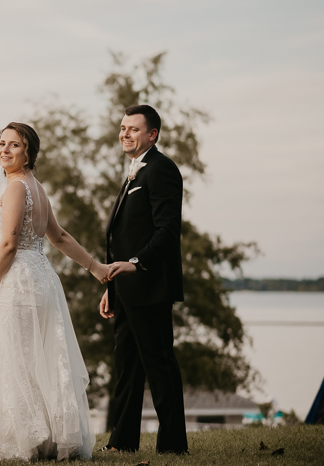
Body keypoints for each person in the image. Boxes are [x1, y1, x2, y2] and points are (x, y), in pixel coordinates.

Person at [0, 122, 107, 461]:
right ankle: (46, 437)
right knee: (36, 359)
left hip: (19, 280)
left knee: (17, 359)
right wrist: (95, 267)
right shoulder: (37, 187)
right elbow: (58, 237)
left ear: (28, 152)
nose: (4, 150)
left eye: (14, 145)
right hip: (42, 278)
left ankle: (25, 440)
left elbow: (9, 241)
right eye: (1, 144)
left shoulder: (18, 187)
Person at [99, 104, 189, 454]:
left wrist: (136, 263)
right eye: (122, 128)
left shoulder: (161, 169)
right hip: (125, 289)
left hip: (150, 286)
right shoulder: (134, 171)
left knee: (160, 367)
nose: (125, 133)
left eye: (133, 129)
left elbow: (167, 232)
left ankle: (173, 446)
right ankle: (122, 444)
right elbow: (120, 237)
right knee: (127, 369)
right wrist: (111, 288)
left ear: (152, 134)